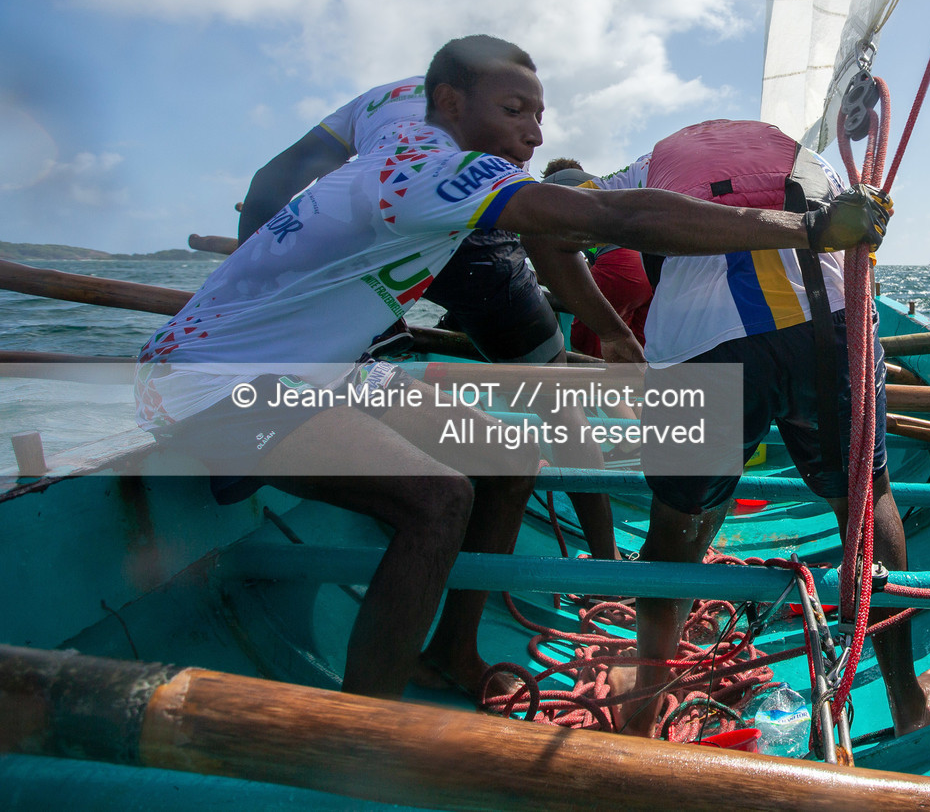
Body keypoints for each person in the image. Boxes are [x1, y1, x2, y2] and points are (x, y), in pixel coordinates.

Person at [136, 37, 890, 701]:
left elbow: (283, 172)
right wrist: (809, 225)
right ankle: (359, 729)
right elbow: (611, 220)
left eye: (537, 113)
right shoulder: (442, 177)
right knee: (438, 501)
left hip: (318, 373)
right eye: (512, 112)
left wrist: (263, 258)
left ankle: (452, 652)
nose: (531, 134)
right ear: (449, 101)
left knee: (511, 457)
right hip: (211, 380)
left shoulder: (393, 115)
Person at [579, 119, 930, 739]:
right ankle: (906, 705)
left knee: (675, 518)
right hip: (827, 323)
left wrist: (613, 332)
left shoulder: (647, 167)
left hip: (696, 342)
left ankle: (642, 709)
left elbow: (564, 212)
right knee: (865, 500)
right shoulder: (808, 157)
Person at [237, 74, 643, 564]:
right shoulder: (481, 151)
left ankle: (378, 373)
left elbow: (268, 185)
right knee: (556, 399)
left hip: (374, 228)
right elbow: (547, 236)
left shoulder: (380, 99)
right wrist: (612, 331)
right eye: (523, 113)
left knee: (371, 355)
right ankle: (605, 557)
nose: (534, 134)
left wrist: (253, 271)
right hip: (477, 248)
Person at [539, 158, 653, 358]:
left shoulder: (552, 187)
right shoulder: (601, 185)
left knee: (586, 340)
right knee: (636, 350)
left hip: (619, 263)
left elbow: (545, 248)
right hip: (648, 265)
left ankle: (590, 388)